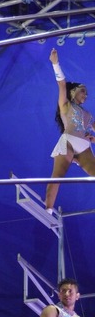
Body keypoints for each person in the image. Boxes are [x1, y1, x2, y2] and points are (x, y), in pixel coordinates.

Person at [45, 48, 95, 213]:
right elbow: (61, 84)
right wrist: (55, 64)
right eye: (83, 91)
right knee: (58, 176)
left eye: (87, 94)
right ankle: (48, 207)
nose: (86, 95)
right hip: (68, 141)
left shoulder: (88, 114)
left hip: (84, 146)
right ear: (73, 92)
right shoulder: (65, 105)